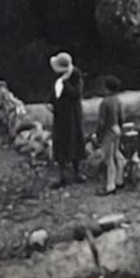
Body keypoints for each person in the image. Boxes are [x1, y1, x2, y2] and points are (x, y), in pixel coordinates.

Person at [49, 52, 85, 186]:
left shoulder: (76, 75)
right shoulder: (59, 77)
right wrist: (51, 102)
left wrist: (65, 83)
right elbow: (54, 92)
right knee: (60, 140)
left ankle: (77, 172)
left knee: (74, 139)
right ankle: (62, 174)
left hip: (72, 115)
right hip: (60, 115)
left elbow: (76, 93)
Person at [95, 75, 128, 196]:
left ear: (106, 88)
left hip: (108, 131)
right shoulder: (118, 100)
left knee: (109, 160)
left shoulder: (104, 102)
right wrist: (120, 128)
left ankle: (110, 185)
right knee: (117, 154)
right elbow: (122, 117)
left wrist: (98, 135)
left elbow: (101, 122)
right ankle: (120, 179)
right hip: (116, 128)